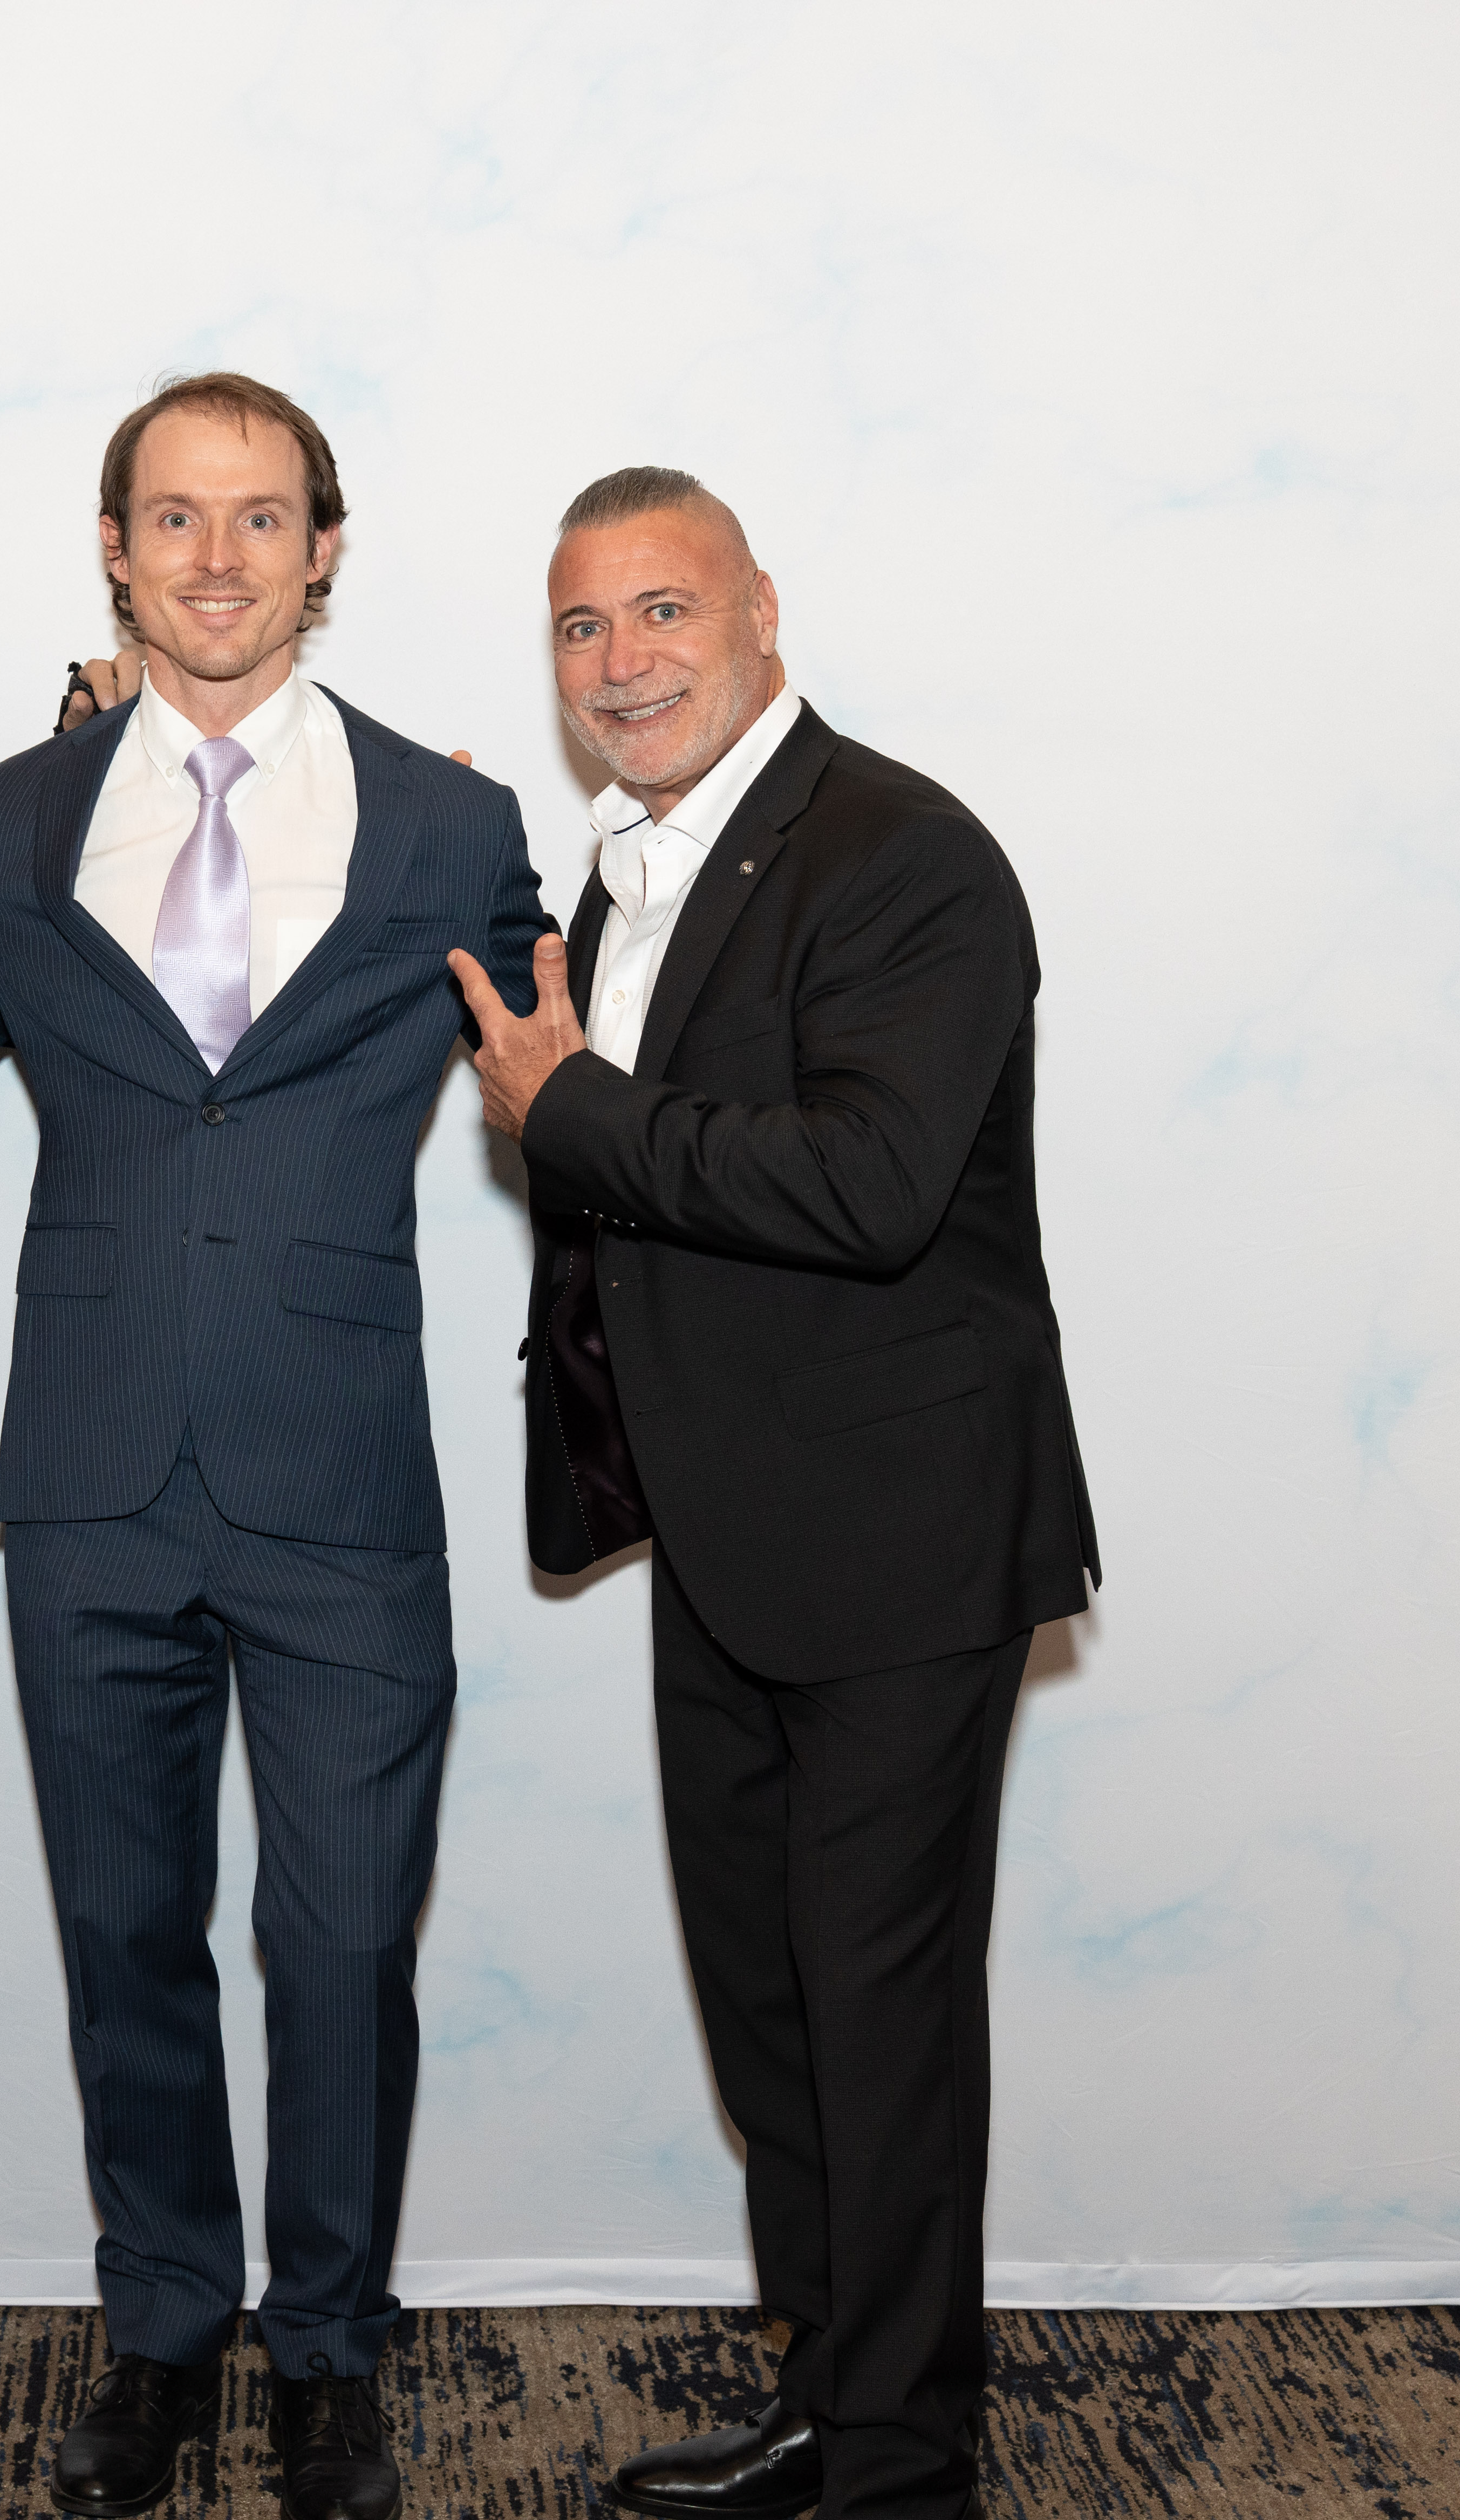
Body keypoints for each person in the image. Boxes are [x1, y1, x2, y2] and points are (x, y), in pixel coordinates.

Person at [451, 468, 1099, 2520]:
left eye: (664, 610)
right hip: (725, 1535)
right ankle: (835, 2399)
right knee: (774, 2014)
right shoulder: (630, 868)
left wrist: (572, 1109)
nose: (621, 659)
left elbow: (872, 1182)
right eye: (582, 626)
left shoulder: (904, 852)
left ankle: (901, 2469)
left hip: (900, 1544)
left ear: (760, 613)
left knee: (877, 2023)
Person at [0, 373, 549, 2520]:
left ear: (324, 549)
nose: (218, 557)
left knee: (346, 1945)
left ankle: (333, 2356)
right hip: (89, 1470)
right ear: (116, 549)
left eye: (261, 516)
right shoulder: (8, 816)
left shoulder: (452, 824)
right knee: (126, 1933)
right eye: (176, 517)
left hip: (341, 1478)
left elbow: (582, 1048)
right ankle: (165, 2329)